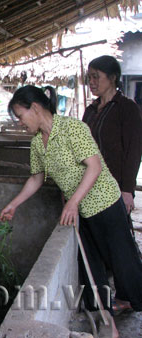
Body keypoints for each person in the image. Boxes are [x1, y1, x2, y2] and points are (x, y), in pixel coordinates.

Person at [0, 85, 142, 338]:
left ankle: (135, 300)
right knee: (90, 265)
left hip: (104, 202)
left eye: (20, 116)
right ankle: (104, 316)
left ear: (35, 108)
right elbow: (36, 178)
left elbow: (94, 167)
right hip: (79, 209)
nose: (20, 123)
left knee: (121, 259)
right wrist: (14, 203)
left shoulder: (72, 128)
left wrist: (73, 202)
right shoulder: (36, 144)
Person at [83, 55, 142, 313]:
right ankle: (103, 299)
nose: (91, 82)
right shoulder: (91, 110)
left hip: (115, 187)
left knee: (120, 244)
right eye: (89, 77)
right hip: (90, 187)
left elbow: (133, 150)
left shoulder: (126, 108)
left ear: (113, 78)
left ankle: (131, 296)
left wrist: (127, 189)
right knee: (98, 243)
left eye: (97, 76)